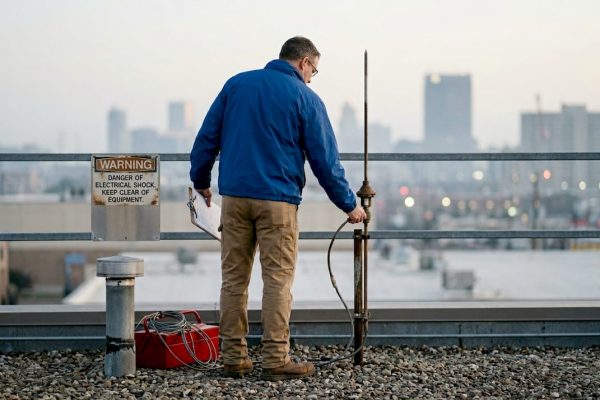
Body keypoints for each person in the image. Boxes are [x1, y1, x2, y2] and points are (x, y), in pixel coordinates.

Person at [190, 36, 366, 381]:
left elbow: (206, 138)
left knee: (233, 282)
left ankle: (234, 359)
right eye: (314, 69)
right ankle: (274, 359)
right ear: (303, 62)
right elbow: (325, 161)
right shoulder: (306, 98)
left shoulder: (236, 84)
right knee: (277, 282)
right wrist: (349, 205)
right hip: (278, 202)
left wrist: (201, 182)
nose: (313, 77)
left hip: (235, 199)